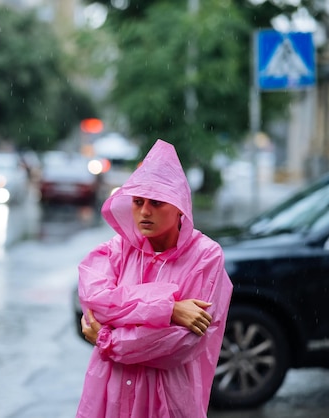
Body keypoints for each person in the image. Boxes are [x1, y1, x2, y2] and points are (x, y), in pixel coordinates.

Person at [76, 139, 233, 418]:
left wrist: (108, 338)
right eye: (138, 202)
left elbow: (181, 345)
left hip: (167, 402)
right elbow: (96, 303)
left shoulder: (206, 257)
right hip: (108, 396)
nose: (145, 211)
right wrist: (169, 308)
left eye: (157, 202)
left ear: (179, 207)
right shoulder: (116, 249)